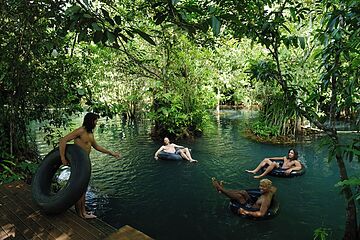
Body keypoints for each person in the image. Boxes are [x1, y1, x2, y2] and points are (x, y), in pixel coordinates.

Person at [59, 112, 120, 219]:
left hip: (85, 163)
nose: (96, 122)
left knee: (83, 188)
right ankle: (81, 214)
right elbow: (63, 140)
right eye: (95, 120)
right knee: (79, 189)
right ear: (90, 121)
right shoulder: (80, 131)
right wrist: (63, 158)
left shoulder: (90, 134)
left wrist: (112, 153)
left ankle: (84, 212)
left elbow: (97, 147)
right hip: (78, 163)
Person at [212, 177, 276, 218]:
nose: (260, 188)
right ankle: (222, 189)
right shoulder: (271, 191)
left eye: (263, 187)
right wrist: (267, 186)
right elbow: (274, 188)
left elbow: (261, 214)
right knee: (243, 192)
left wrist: (246, 212)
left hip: (250, 207)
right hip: (252, 202)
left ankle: (221, 189)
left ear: (268, 188)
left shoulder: (265, 200)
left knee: (239, 197)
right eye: (260, 186)